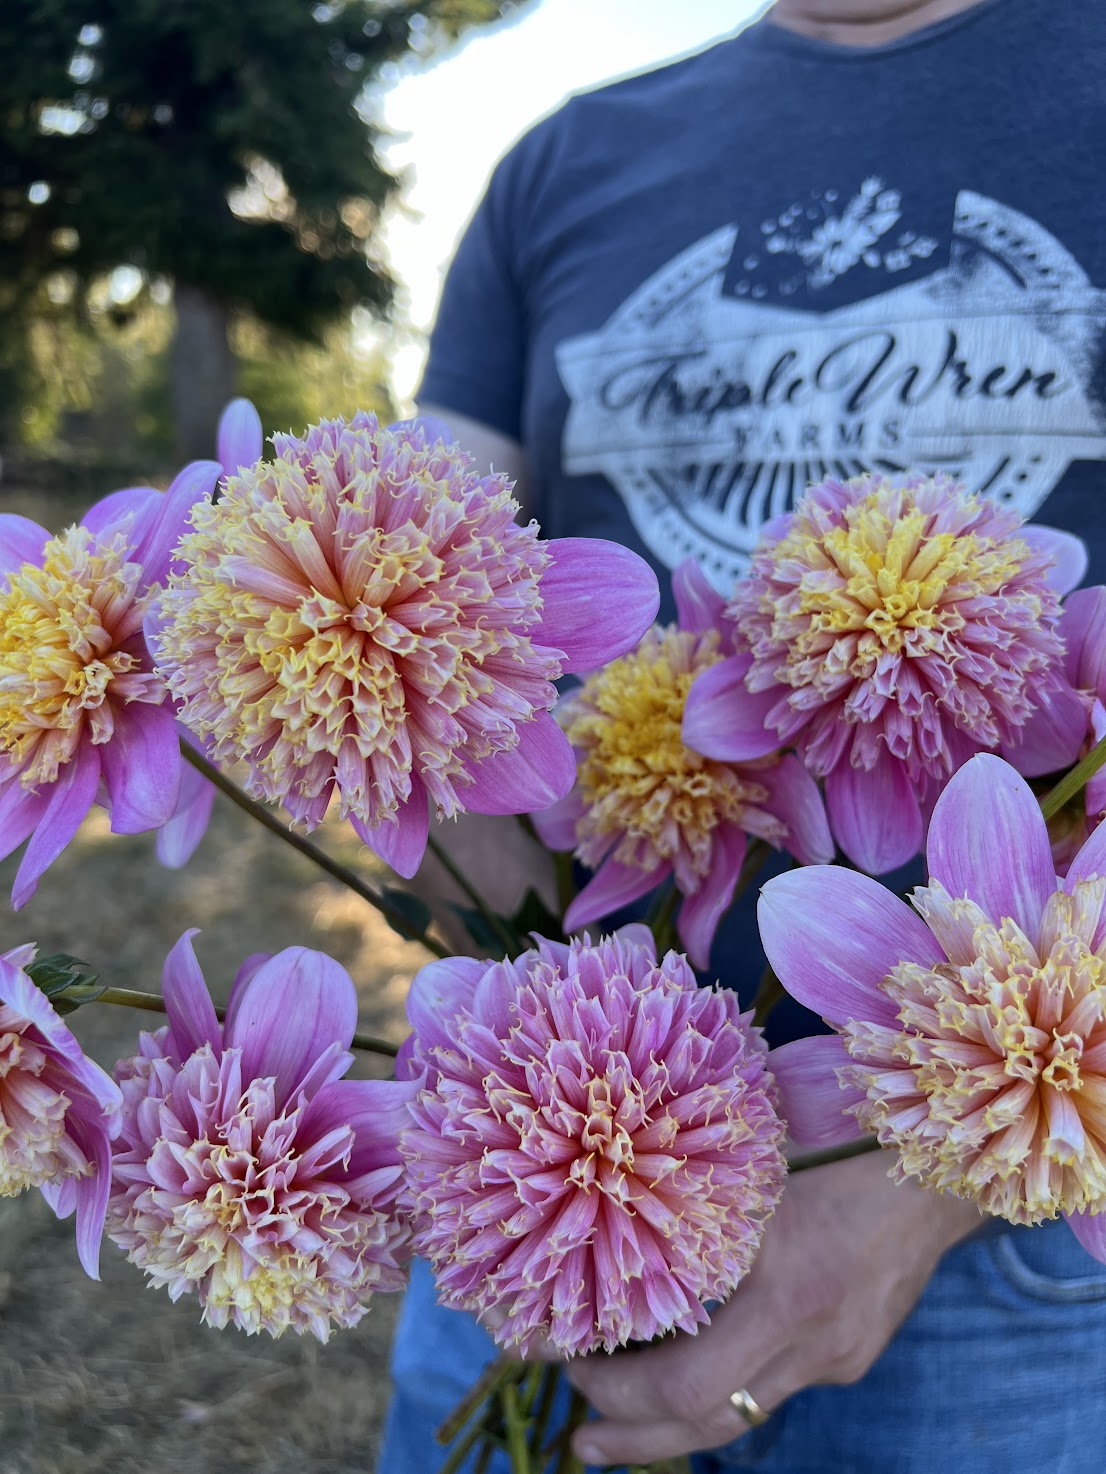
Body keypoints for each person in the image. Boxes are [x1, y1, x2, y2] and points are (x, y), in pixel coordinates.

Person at [378, 1, 1106, 1469]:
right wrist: (541, 1066)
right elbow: (396, 580)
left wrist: (933, 1168)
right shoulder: (558, 162)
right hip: (540, 1153)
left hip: (1002, 1244)